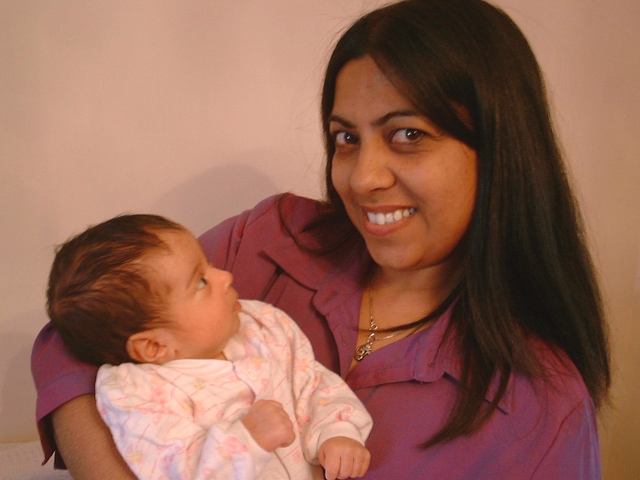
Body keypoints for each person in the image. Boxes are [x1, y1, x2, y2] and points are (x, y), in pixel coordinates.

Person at [31, 0, 610, 478]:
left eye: (408, 134)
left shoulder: (542, 408)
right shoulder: (268, 239)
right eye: (346, 138)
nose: (362, 178)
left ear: (500, 151)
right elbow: (77, 334)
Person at [46, 214, 372, 480]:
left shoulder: (261, 326)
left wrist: (337, 431)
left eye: (209, 264)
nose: (225, 276)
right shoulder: (138, 394)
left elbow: (312, 384)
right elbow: (175, 467)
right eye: (201, 281)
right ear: (154, 346)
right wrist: (246, 440)